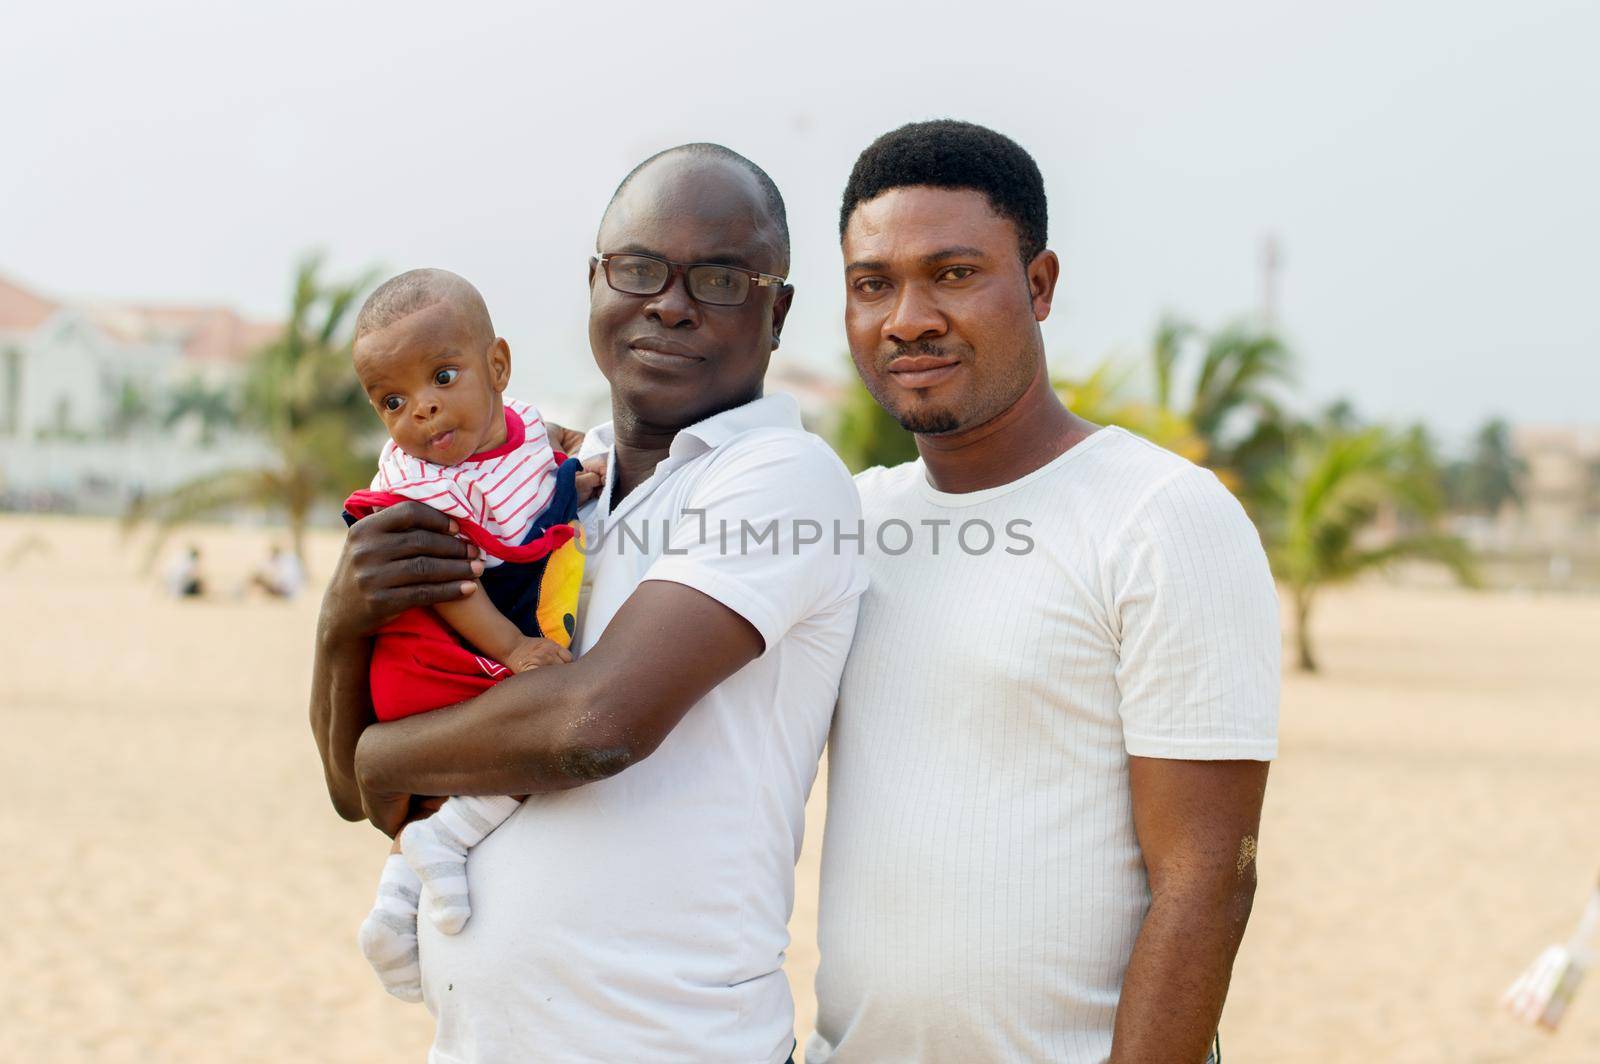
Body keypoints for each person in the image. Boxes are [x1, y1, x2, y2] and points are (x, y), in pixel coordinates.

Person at [309, 143, 864, 1063]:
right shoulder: (549, 484)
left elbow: (593, 723)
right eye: (639, 268)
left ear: (777, 311)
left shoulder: (783, 478)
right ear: (597, 284)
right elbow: (353, 797)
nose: (671, 302)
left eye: (721, 277)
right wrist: (338, 629)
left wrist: (380, 757)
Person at [808, 120, 1280, 1064]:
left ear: (1039, 284)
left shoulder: (1157, 514)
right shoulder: (844, 523)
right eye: (873, 284)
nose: (907, 317)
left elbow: (1207, 880)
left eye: (952, 273)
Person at [338, 268, 605, 1002]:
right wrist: (513, 650)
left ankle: (397, 904)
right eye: (394, 401)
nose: (422, 409)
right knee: (530, 735)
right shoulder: (423, 484)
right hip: (441, 646)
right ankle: (443, 842)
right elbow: (451, 580)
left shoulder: (520, 431)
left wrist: (570, 479)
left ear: (498, 368)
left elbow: (534, 482)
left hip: (486, 621)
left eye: (443, 377)